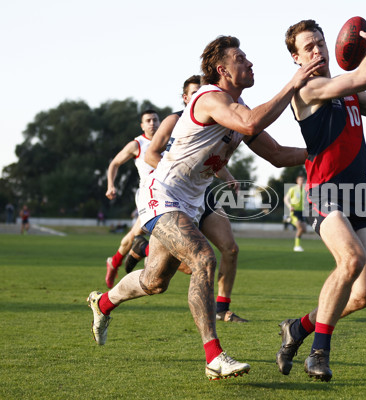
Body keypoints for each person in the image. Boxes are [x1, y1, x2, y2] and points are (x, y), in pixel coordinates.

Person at [87, 35, 323, 380]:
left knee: (155, 282)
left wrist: (323, 151)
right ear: (221, 69)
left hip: (190, 203)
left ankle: (103, 302)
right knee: (204, 257)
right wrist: (293, 83)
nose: (250, 62)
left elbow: (277, 155)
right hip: (162, 193)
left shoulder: (239, 112)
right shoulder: (211, 97)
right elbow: (251, 123)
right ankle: (214, 356)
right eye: (241, 58)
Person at [276, 20, 366, 382]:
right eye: (309, 47)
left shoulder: (347, 93)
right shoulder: (309, 89)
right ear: (296, 58)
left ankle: (298, 329)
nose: (318, 50)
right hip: (327, 193)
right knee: (351, 259)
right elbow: (364, 78)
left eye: (321, 42)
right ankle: (319, 352)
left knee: (364, 295)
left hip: (360, 195)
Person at [137, 74, 248, 322]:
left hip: (203, 191)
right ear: (186, 97)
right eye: (197, 91)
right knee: (172, 271)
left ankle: (222, 309)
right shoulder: (174, 120)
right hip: (174, 192)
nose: (205, 93)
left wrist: (227, 176)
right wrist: (181, 172)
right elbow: (151, 154)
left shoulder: (221, 117)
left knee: (230, 249)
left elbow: (210, 157)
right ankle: (143, 248)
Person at [103, 109, 160, 288]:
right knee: (150, 233)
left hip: (168, 194)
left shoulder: (169, 141)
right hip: (147, 197)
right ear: (142, 125)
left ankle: (114, 262)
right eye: (148, 120)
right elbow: (114, 163)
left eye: (155, 120)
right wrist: (111, 185)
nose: (152, 123)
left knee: (134, 234)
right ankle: (144, 254)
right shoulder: (137, 144)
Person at [284, 175, 307, 252]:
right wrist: (289, 206)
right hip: (295, 211)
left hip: (302, 211)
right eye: (300, 180)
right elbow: (286, 199)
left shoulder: (306, 189)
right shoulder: (293, 189)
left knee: (304, 229)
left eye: (303, 180)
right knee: (300, 228)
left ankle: (290, 221)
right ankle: (297, 246)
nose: (301, 181)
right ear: (297, 181)